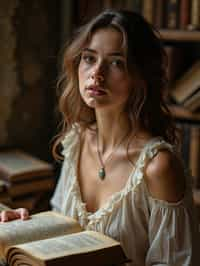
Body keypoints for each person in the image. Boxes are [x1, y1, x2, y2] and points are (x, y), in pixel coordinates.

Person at [0, 9, 199, 266]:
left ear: (141, 77)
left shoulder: (158, 167)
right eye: (88, 58)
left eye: (116, 62)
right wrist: (30, 227)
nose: (97, 73)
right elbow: (63, 231)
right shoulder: (77, 140)